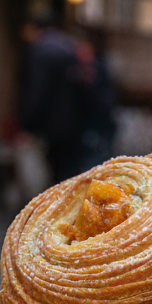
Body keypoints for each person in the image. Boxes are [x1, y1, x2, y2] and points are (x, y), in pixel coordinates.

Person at [19, 17, 117, 181]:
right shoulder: (68, 55)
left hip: (69, 129)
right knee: (74, 174)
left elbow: (37, 90)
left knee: (68, 174)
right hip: (78, 129)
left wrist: (28, 125)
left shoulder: (43, 52)